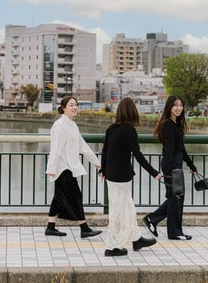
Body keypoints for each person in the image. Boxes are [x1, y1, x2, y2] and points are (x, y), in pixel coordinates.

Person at [99, 97, 161, 257]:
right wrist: (154, 172)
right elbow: (138, 155)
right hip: (121, 176)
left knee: (127, 208)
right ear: (133, 111)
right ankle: (112, 246)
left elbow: (105, 150)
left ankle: (136, 239)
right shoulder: (129, 130)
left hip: (111, 174)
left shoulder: (111, 128)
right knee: (119, 210)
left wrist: (103, 169)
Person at [45, 96, 102, 239]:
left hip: (69, 167)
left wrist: (96, 162)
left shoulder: (72, 125)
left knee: (59, 197)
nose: (75, 107)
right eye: (71, 105)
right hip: (62, 168)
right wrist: (51, 168)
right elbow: (55, 149)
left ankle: (50, 227)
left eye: (76, 105)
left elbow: (82, 146)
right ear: (63, 108)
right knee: (75, 196)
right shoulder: (59, 126)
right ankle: (84, 228)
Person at [143, 95, 198, 240]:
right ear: (169, 107)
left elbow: (181, 148)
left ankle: (153, 219)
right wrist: (174, 169)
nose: (179, 108)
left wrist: (191, 164)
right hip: (171, 163)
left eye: (181, 105)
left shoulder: (176, 124)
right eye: (176, 105)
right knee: (176, 197)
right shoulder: (167, 124)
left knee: (177, 197)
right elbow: (169, 150)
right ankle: (174, 232)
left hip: (176, 162)